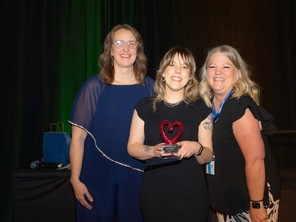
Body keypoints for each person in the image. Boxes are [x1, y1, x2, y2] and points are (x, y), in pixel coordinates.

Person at [68, 24, 154, 222]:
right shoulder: (93, 87)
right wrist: (75, 179)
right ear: (110, 50)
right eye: (119, 43)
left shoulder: (150, 87)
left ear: (138, 49)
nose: (126, 49)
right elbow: (78, 139)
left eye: (131, 43)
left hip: (137, 175)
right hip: (96, 175)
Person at [127, 47, 213, 222]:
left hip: (192, 194)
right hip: (154, 194)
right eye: (172, 64)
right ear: (163, 72)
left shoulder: (202, 108)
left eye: (184, 67)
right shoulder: (144, 106)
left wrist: (196, 148)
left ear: (190, 77)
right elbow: (132, 147)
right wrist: (153, 151)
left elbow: (207, 156)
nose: (178, 71)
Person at [199, 45, 281, 222]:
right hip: (227, 198)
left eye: (226, 67)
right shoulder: (207, 106)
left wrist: (256, 204)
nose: (218, 72)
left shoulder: (239, 106)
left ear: (237, 72)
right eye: (212, 67)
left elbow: (256, 160)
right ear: (206, 72)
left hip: (250, 201)